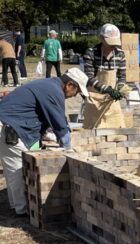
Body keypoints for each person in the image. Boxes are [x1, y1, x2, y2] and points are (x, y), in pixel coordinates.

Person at [0, 68, 89, 216]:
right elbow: (61, 126)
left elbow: (41, 117)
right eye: (77, 91)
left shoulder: (50, 85)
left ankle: (18, 206)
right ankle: (22, 210)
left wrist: (47, 136)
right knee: (18, 167)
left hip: (9, 124)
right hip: (9, 127)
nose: (75, 95)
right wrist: (69, 151)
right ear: (70, 85)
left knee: (14, 167)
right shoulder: (54, 91)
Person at [83, 24, 127, 128]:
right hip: (94, 98)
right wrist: (107, 89)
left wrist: (120, 89)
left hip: (111, 99)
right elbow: (89, 77)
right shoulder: (91, 53)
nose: (113, 46)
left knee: (116, 129)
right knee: (93, 130)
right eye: (110, 43)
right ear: (101, 38)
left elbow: (122, 76)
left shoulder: (120, 54)